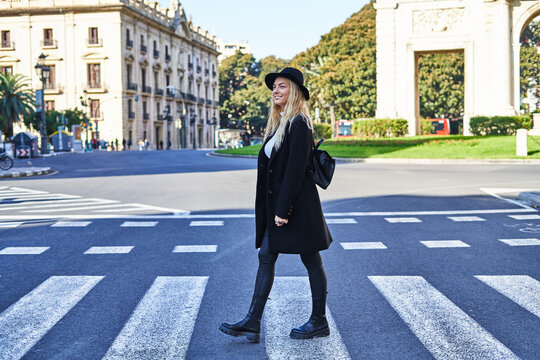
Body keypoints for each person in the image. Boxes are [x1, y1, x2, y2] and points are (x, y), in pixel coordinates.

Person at [219, 67, 333, 343]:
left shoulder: (298, 124)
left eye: (282, 86)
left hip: (296, 207)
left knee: (310, 259)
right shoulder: (280, 123)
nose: (275, 91)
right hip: (279, 206)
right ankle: (253, 321)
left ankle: (319, 320)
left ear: (293, 92)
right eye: (274, 87)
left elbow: (294, 172)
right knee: (267, 256)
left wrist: (283, 211)